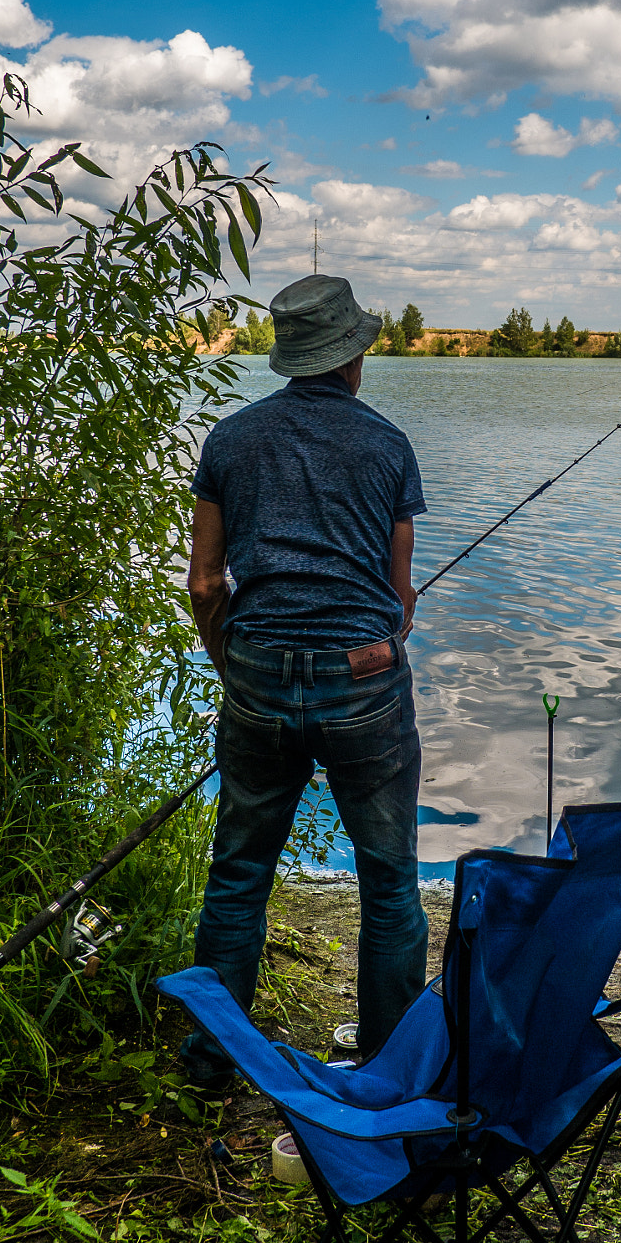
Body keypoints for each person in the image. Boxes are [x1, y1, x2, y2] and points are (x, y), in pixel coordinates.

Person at [181, 273, 428, 1092]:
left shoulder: (228, 441)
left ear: (292, 357)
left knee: (240, 870)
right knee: (388, 877)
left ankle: (214, 1060)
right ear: (352, 356)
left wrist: (234, 666)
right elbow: (397, 599)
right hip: (362, 682)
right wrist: (383, 635)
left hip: (253, 672)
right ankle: (390, 1067)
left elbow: (206, 585)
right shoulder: (388, 446)